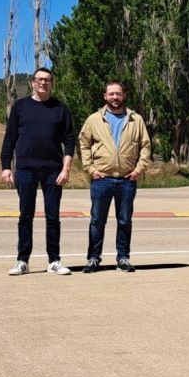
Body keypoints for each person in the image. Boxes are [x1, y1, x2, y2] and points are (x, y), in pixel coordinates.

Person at [0, 67, 76, 276]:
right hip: (25, 169)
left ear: (52, 83)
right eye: (40, 79)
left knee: (53, 216)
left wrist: (66, 168)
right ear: (33, 82)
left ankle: (54, 261)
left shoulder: (60, 108)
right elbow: (10, 139)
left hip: (53, 171)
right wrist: (6, 166)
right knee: (26, 215)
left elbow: (70, 140)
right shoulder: (21, 107)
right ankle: (22, 261)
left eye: (47, 80)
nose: (43, 83)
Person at [79, 81, 151, 273]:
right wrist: (90, 168)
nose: (115, 97)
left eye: (118, 94)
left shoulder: (136, 120)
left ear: (124, 95)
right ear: (105, 96)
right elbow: (84, 144)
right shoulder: (94, 119)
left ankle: (123, 258)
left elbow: (145, 146)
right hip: (101, 179)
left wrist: (138, 170)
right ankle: (93, 258)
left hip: (128, 180)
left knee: (124, 220)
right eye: (111, 94)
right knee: (97, 220)